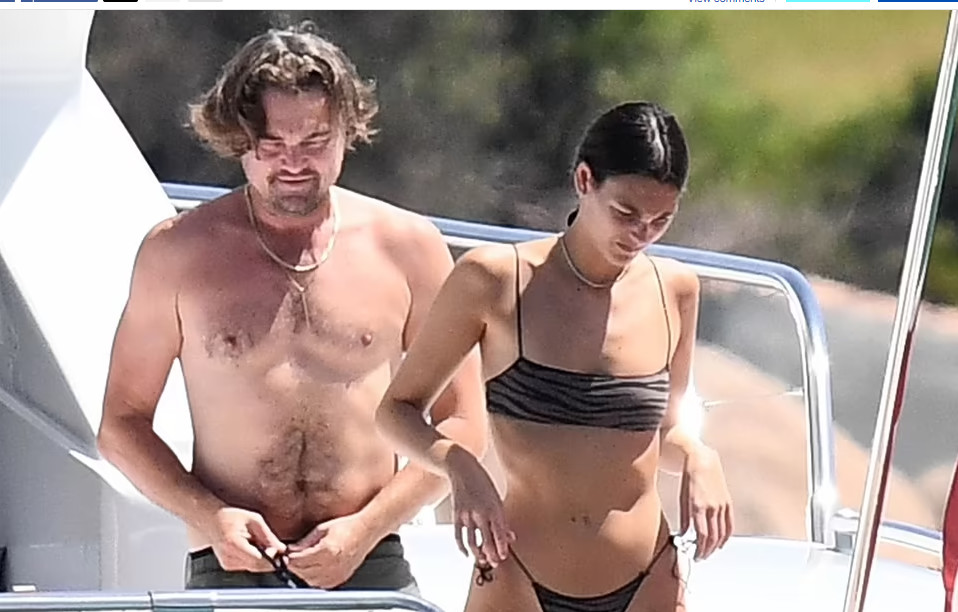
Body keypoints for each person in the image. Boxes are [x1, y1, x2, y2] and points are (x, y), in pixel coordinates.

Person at [96, 21, 485, 593]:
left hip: (371, 560)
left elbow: (465, 423)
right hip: (229, 564)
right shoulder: (176, 254)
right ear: (237, 139)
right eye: (271, 145)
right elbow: (121, 424)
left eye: (315, 142)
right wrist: (211, 518)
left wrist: (366, 529)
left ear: (348, 131)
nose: (294, 163)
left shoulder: (409, 247)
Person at [376, 101, 733, 611]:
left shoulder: (675, 289)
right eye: (626, 213)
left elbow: (665, 434)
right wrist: (459, 466)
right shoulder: (494, 280)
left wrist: (700, 456)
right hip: (518, 573)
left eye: (661, 220)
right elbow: (396, 411)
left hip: (649, 575)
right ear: (585, 180)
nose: (641, 234)